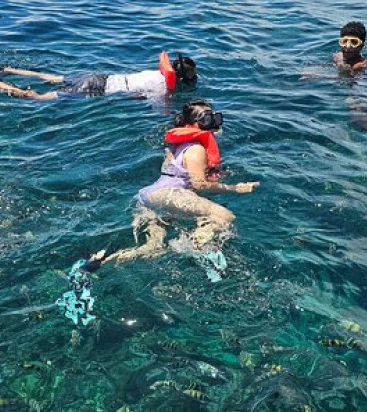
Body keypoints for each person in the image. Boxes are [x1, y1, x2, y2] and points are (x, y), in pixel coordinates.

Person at [100, 100, 259, 280]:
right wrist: (235, 188)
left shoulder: (177, 146)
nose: (213, 122)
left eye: (214, 117)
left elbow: (182, 175)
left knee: (154, 248)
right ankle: (195, 249)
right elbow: (199, 185)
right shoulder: (197, 148)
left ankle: (103, 261)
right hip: (170, 195)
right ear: (192, 123)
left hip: (149, 196)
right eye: (207, 118)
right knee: (225, 216)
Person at [0, 52, 197, 101]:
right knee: (39, 98)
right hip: (97, 90)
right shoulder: (163, 87)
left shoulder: (154, 72)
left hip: (99, 77)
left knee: (52, 77)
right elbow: (136, 98)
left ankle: (5, 69)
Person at [303, 22, 367, 146]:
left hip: (363, 83)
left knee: (356, 108)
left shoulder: (362, 63)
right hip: (349, 82)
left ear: (361, 46)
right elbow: (332, 69)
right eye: (344, 42)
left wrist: (319, 76)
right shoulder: (337, 56)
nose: (348, 47)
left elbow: (347, 77)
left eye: (353, 43)